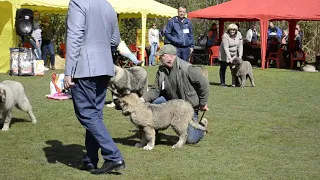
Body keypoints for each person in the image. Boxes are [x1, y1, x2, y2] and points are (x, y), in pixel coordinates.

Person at [64, 0, 125, 175]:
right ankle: (90, 159)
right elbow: (115, 40)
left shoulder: (78, 3)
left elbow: (74, 36)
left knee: (87, 113)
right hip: (104, 67)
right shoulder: (109, 7)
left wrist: (69, 71)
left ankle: (113, 156)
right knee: (95, 115)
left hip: (84, 68)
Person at [140, 44, 209, 144]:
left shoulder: (187, 68)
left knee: (191, 139)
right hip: (170, 101)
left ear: (170, 56)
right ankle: (153, 135)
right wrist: (142, 99)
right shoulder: (161, 70)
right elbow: (155, 89)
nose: (159, 58)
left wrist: (203, 103)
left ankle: (202, 129)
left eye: (161, 56)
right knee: (155, 104)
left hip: (188, 106)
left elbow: (204, 83)